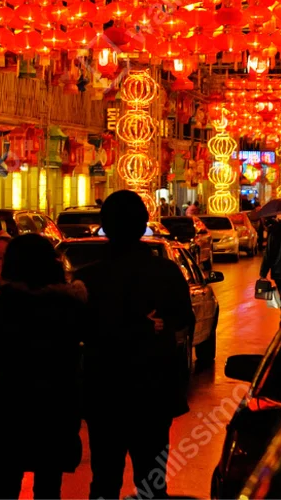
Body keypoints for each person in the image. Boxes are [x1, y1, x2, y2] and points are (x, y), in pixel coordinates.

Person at [78, 189, 194, 500]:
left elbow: (80, 329)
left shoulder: (88, 278)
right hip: (153, 391)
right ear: (143, 225)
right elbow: (184, 318)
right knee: (152, 480)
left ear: (106, 226)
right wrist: (157, 324)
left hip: (105, 391)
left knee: (104, 478)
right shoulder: (166, 273)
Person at [0, 235, 86, 498]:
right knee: (48, 486)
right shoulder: (70, 307)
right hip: (57, 410)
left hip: (11, 408)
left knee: (6, 485)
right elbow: (82, 363)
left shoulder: (2, 308)